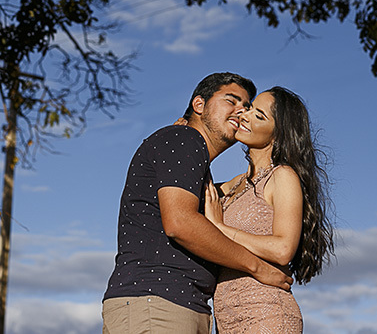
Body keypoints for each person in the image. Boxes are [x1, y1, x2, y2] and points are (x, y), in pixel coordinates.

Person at [102, 72, 293, 334]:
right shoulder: (184, 139)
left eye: (247, 107)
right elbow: (180, 223)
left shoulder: (192, 157)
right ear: (199, 105)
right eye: (231, 100)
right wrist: (258, 267)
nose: (241, 111)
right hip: (157, 303)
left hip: (176, 306)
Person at [205, 86, 334, 333]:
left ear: (278, 134)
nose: (245, 115)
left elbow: (283, 249)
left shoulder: (282, 177)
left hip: (267, 312)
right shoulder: (235, 184)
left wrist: (220, 228)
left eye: (259, 116)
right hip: (226, 318)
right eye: (250, 108)